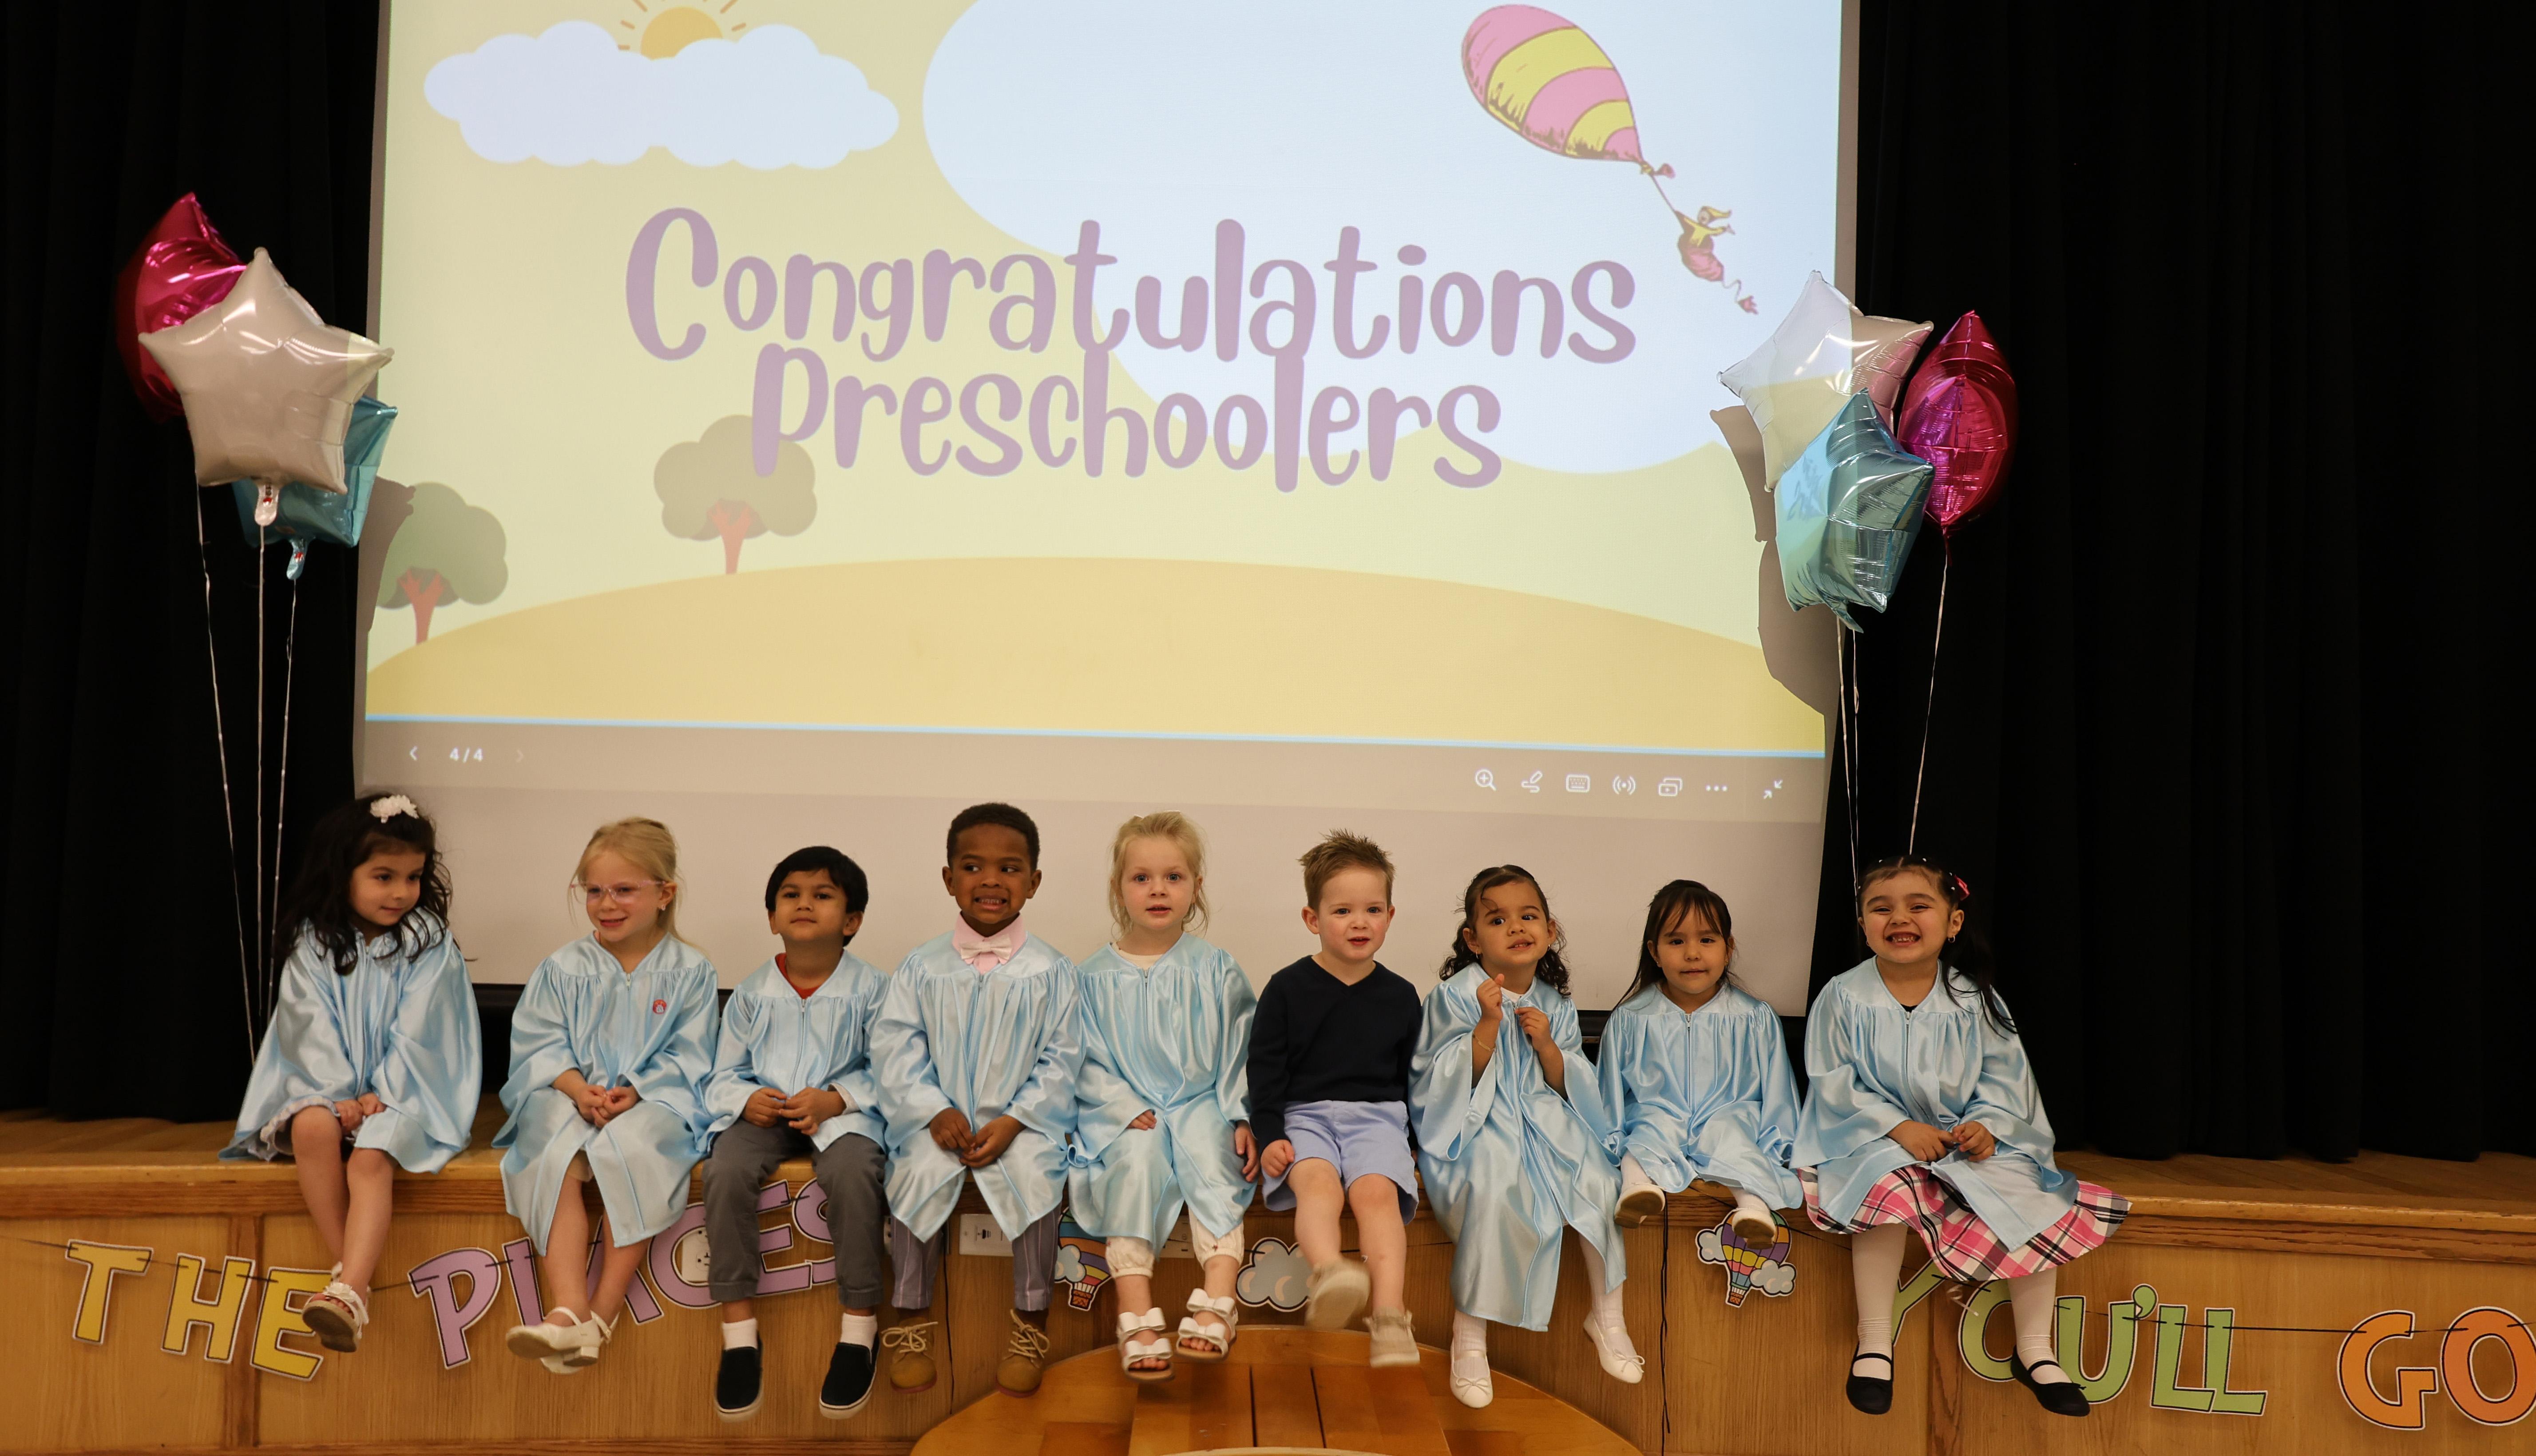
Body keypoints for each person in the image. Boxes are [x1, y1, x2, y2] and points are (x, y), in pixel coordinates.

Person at [1793, 855, 2127, 1420]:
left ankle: (2035, 1349)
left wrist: (1987, 1125)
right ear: (1862, 923)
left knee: (2032, 1195)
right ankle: (1874, 1341)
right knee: (1886, 1190)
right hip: (1872, 1135)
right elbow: (1832, 1080)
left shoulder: (1975, 1000)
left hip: (1958, 1137)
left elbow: (2005, 1080)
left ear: (1953, 922)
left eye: (1918, 905)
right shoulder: (1842, 996)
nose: (1900, 918)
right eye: (1881, 907)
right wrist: (1897, 1127)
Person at [223, 793, 482, 1354]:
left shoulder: (427, 942)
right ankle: (351, 1283)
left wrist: (380, 1095)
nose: (401, 892)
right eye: (384, 876)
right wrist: (335, 1094)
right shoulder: (314, 942)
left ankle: (350, 1286)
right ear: (342, 873)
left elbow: (423, 1032)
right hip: (328, 1087)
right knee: (311, 1127)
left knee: (371, 1156)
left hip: (408, 1093)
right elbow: (306, 1026)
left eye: (413, 877)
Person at [871, 803, 1081, 1397]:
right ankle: (911, 1322)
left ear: (1033, 882)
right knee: (915, 1171)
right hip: (937, 1123)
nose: (991, 880)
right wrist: (932, 1110)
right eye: (972, 867)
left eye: (1010, 868)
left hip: (1022, 1126)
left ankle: (1031, 1326)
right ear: (949, 879)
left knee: (1039, 1174)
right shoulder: (921, 967)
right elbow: (895, 1045)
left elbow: (1063, 1057)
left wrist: (1016, 1121)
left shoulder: (1053, 971)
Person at [1412, 866, 1641, 1408]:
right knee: (1494, 1186)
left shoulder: (1555, 1003)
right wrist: (1487, 1025)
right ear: (1473, 939)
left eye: (1529, 916)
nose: (1516, 927)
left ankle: (1608, 1317)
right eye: (1497, 919)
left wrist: (1549, 1049)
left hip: (1543, 1118)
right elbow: (1433, 1081)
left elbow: (1570, 1085)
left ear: (1550, 929)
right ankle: (1469, 1337)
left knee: (1598, 1180)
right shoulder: (1454, 997)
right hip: (1479, 1122)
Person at [496, 818, 718, 1374]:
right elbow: (539, 1043)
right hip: (572, 1093)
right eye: (594, 890)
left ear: (664, 893)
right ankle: (568, 1307)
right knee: (548, 1138)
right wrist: (576, 1088)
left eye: (624, 889)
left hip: (653, 1099)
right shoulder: (563, 969)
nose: (606, 903)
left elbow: (693, 1054)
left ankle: (601, 1313)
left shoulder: (691, 972)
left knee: (636, 1146)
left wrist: (637, 1090)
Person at [700, 847, 889, 1422]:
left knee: (854, 1174)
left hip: (844, 1117)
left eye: (822, 895)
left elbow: (895, 1071)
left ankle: (859, 1329)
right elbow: (721, 1074)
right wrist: (744, 1099)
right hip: (765, 1117)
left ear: (852, 920)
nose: (804, 904)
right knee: (725, 1169)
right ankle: (739, 1334)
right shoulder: (752, 993)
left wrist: (838, 1098)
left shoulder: (876, 991)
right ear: (772, 918)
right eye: (791, 895)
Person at [1067, 812, 1258, 1382]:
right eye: (1142, 877)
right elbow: (1083, 1058)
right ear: (1118, 887)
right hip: (1131, 1112)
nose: (1158, 890)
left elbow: (1242, 1048)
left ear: (1196, 886)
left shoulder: (1217, 969)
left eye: (1173, 877)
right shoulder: (1090, 978)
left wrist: (1242, 1114)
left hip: (1202, 1099)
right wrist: (1122, 1107)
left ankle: (1219, 1297)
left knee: (1213, 1148)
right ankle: (1135, 1310)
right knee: (1134, 1159)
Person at [1248, 830, 1424, 1368]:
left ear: (1390, 916)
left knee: (1376, 1196)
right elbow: (1265, 1071)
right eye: (1343, 910)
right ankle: (1330, 1273)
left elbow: (1412, 1079)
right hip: (1304, 1117)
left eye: (1372, 909)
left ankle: (1390, 1316)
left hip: (1378, 1119)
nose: (1359, 922)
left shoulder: (1401, 996)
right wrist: (1270, 1134)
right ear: (1313, 918)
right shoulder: (1285, 988)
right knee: (1319, 1185)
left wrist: (1414, 1143)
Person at [1598, 880, 1803, 1245]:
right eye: (1676, 942)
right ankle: (1636, 1188)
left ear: (1728, 949)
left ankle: (1754, 1209)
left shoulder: (1753, 1018)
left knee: (1735, 1140)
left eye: (1707, 940)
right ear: (1655, 952)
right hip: (1659, 1115)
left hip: (1731, 1116)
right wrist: (1610, 1138)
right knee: (1644, 1135)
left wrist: (1781, 1146)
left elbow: (1778, 1095)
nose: (1692, 954)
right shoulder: (1632, 1019)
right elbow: (1609, 1094)